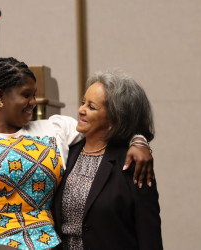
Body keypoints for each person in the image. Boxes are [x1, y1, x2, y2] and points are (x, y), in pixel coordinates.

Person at [0, 58, 153, 250]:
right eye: (26, 95)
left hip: (48, 243)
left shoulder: (56, 130)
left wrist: (139, 140)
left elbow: (105, 124)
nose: (33, 102)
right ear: (0, 96)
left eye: (34, 95)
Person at [53, 70, 163, 250]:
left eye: (91, 107)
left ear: (114, 118)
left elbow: (148, 233)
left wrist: (140, 140)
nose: (81, 110)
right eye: (83, 103)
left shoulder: (132, 162)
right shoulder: (65, 151)